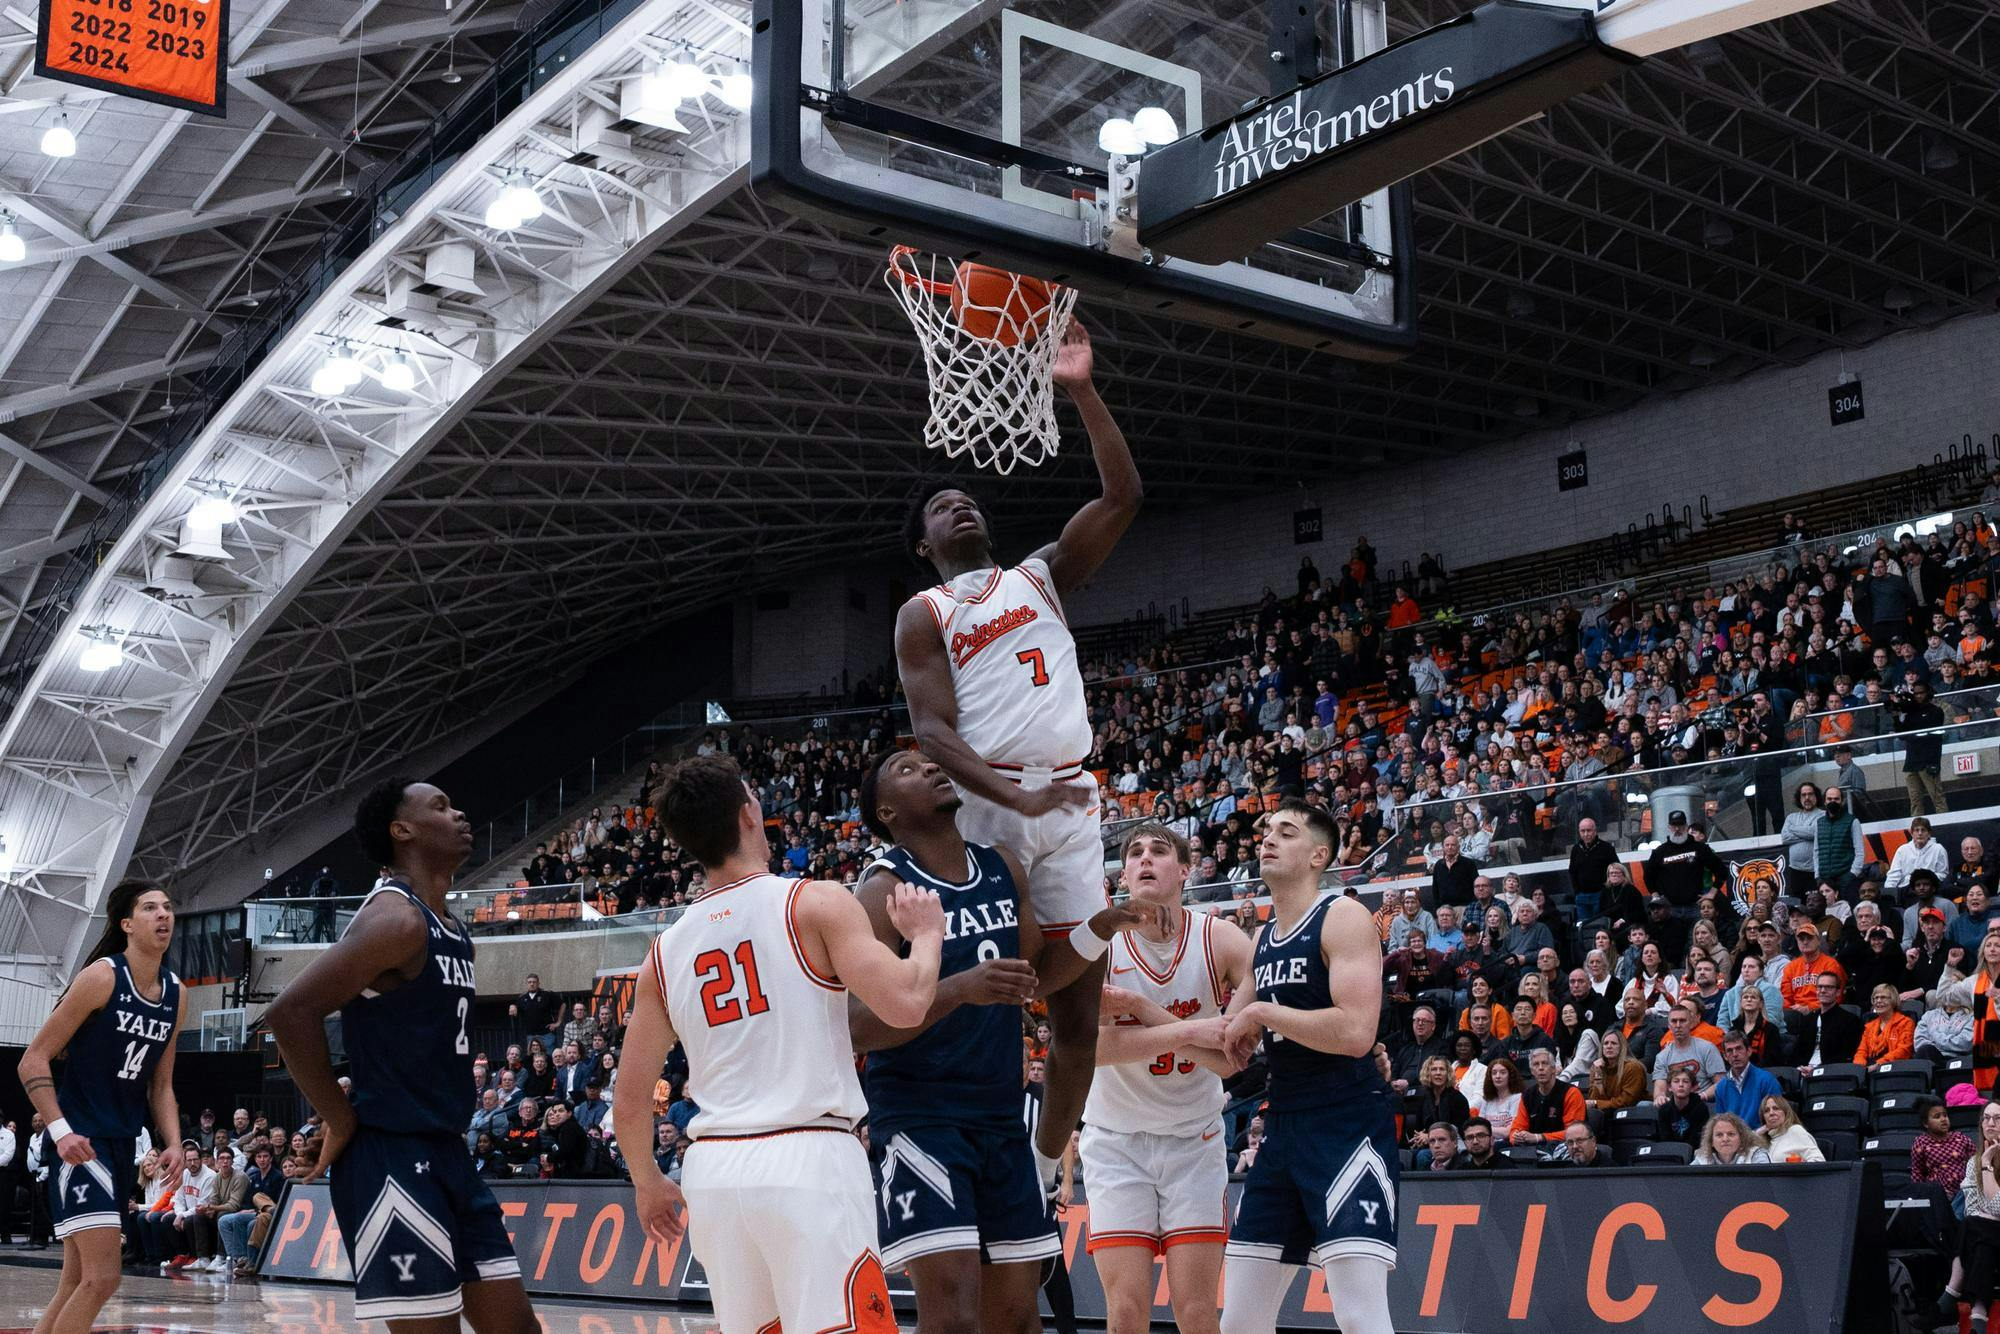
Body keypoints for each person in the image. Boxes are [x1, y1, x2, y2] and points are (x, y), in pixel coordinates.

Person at [895, 321, 1140, 1183]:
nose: (958, 503)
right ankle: (963, 1156)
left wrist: (1079, 388)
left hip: (1068, 801)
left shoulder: (1038, 575)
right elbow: (931, 733)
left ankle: (1041, 1175)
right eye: (939, 505)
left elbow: (1121, 499)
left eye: (967, 496)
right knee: (1005, 994)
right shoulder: (925, 611)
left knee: (1077, 1022)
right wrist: (1010, 792)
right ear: (925, 544)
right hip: (994, 808)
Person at [613, 754, 946, 1334]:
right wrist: (926, 937)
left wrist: (647, 1181)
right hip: (807, 1158)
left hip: (714, 1173)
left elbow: (631, 1099)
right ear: (748, 814)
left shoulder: (662, 956)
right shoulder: (812, 902)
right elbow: (907, 1004)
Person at [852, 750, 1158, 1334]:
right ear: (886, 810)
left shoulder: (1002, 867)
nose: (931, 769)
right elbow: (857, 1025)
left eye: (929, 763)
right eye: (907, 770)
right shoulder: (884, 889)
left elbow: (1035, 977)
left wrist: (1104, 925)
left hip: (999, 1117)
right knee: (953, 1318)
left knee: (1018, 1318)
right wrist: (957, 990)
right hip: (922, 1117)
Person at [265, 780, 537, 1333]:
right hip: (389, 1156)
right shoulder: (397, 919)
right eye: (440, 805)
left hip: (448, 1151)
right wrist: (339, 1120)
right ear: (402, 830)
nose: (459, 812)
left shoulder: (452, 929)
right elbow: (290, 1015)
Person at [1219, 801, 1397, 1334]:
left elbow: (1356, 1033)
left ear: (1319, 854)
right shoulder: (1262, 937)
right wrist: (1135, 1014)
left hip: (1345, 1124)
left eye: (1286, 832)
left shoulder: (1342, 915)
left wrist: (1263, 1011)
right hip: (1283, 1128)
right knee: (1240, 1322)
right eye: (1267, 830)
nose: (1267, 838)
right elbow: (1222, 1041)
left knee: (1359, 1314)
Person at [1079, 822, 1251, 1334]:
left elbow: (1228, 1060)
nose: (1145, 858)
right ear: (1124, 873)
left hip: (1193, 1141)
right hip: (1116, 1140)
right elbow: (1099, 1050)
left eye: (1159, 850)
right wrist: (1196, 1028)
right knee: (1126, 1312)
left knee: (1196, 1312)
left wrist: (1138, 1008)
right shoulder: (1104, 946)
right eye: (1134, 853)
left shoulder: (1220, 939)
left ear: (1184, 869)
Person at [16, 879, 186, 1334]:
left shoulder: (176, 992)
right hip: (82, 1143)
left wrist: (174, 1143)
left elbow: (162, 1084)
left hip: (120, 1145)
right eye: (150, 908)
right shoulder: (102, 977)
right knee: (103, 1278)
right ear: (126, 924)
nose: (163, 914)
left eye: (167, 907)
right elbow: (32, 1059)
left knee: (76, 1281)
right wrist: (60, 1132)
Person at [1507, 1048, 1584, 1146]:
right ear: (1532, 1071)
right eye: (1536, 1064)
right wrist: (1516, 1137)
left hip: (1565, 1149)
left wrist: (1539, 1137)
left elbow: (1574, 1133)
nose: (1540, 1068)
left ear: (1553, 1069)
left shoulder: (1571, 1093)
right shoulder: (1527, 1095)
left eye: (1545, 1063)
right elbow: (1517, 1128)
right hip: (1534, 1151)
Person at [1789, 972, 1864, 1071]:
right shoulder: (1808, 1019)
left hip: (1831, 1073)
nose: (1823, 990)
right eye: (1820, 987)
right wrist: (1799, 1068)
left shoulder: (1850, 1020)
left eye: (1829, 987)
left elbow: (1846, 1055)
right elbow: (1797, 1052)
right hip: (1803, 1071)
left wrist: (1817, 1069)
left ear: (1838, 992)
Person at [1710, 1030, 1781, 1123]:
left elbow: (1778, 1119)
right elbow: (1720, 1122)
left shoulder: (1767, 1080)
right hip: (1733, 1136)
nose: (1735, 1054)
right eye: (1730, 1051)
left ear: (1749, 1051)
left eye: (1739, 1048)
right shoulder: (1721, 1087)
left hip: (1761, 1135)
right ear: (1725, 1057)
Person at [1911, 1096, 1976, 1189]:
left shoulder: (1960, 1138)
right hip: (1937, 1193)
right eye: (1937, 1117)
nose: (1943, 1119)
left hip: (1963, 1191)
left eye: (1945, 1115)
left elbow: (1976, 1162)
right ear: (1925, 1123)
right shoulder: (1921, 1143)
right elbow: (1917, 1173)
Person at [1857, 982, 1917, 1065]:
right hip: (1869, 1068)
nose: (1878, 1001)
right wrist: (1860, 1068)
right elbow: (1861, 1052)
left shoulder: (1906, 1023)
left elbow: (1904, 1051)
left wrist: (1878, 1065)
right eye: (1875, 998)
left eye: (1883, 997)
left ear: (1893, 1000)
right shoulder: (1869, 1026)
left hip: (1894, 1069)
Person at [1756, 1096, 1824, 1163]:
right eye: (1766, 1111)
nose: (1771, 1113)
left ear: (1786, 1112)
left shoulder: (1795, 1130)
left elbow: (1818, 1160)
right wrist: (1759, 1132)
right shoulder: (1763, 1138)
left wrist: (1798, 1170)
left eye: (1776, 1108)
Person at [1694, 1113, 1771, 1165]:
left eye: (1731, 1134)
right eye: (1719, 1135)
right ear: (1711, 1142)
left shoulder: (1756, 1154)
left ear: (1741, 1138)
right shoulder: (1702, 1159)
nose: (1725, 1139)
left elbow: (1766, 1182)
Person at [1446, 1117, 1514, 1171]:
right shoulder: (1462, 1171)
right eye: (1470, 1137)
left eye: (1481, 1136)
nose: (1475, 1141)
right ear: (1465, 1143)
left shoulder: (1507, 1169)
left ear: (1492, 1140)